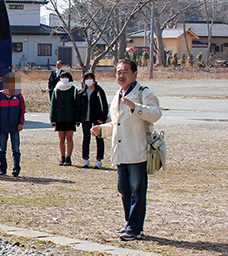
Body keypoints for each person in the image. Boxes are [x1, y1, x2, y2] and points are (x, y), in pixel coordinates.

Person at [92, 59, 162, 241]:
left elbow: (155, 114)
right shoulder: (117, 95)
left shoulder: (143, 93)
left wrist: (135, 107)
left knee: (137, 192)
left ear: (135, 74)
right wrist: (102, 130)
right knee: (124, 190)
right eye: (118, 72)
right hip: (121, 152)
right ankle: (129, 224)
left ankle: (135, 228)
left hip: (137, 151)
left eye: (125, 72)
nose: (121, 75)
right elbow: (117, 124)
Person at [0, 72, 25, 177]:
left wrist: (21, 123)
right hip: (3, 126)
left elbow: (22, 110)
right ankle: (3, 169)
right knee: (2, 149)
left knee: (16, 149)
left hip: (15, 126)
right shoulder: (0, 95)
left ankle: (16, 169)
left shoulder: (18, 96)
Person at [78, 71, 109, 168]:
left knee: (99, 138)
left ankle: (99, 160)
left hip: (97, 119)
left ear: (94, 80)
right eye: (86, 79)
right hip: (85, 118)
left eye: (90, 79)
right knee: (86, 138)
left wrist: (103, 118)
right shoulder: (81, 92)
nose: (89, 81)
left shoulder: (99, 91)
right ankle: (85, 159)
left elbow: (105, 105)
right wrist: (78, 119)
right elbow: (78, 107)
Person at [51, 70, 79, 166]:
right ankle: (62, 157)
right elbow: (53, 105)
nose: (64, 79)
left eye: (66, 77)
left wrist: (77, 119)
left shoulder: (74, 89)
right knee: (61, 139)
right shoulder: (56, 90)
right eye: (62, 77)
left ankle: (68, 158)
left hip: (70, 117)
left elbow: (77, 105)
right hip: (60, 118)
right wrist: (53, 119)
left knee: (69, 138)